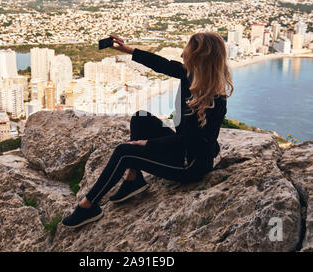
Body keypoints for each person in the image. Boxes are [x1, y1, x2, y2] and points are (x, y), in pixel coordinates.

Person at [62, 32, 234, 228]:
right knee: (140, 118)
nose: (182, 53)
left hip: (191, 165)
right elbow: (162, 64)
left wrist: (149, 144)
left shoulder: (215, 100)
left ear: (199, 57)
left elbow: (189, 140)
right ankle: (133, 179)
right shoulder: (191, 77)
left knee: (124, 152)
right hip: (182, 150)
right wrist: (127, 50)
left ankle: (88, 206)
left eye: (187, 49)